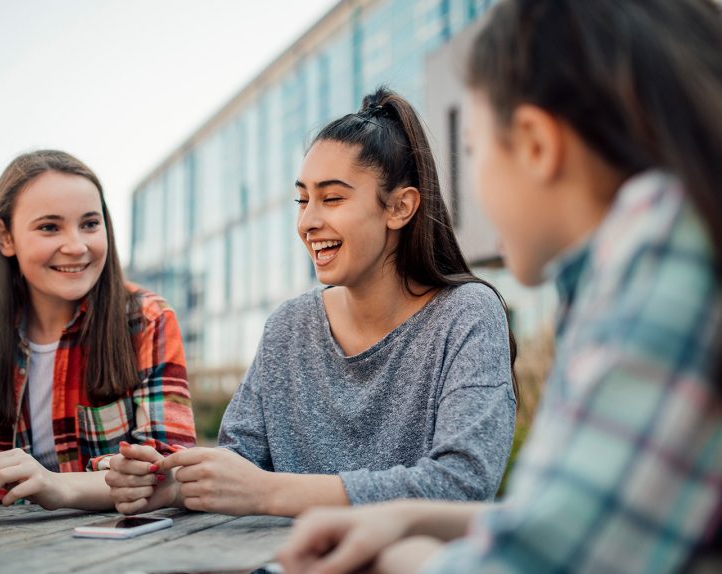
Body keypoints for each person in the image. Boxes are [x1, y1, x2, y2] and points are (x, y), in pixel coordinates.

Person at [276, 0, 722, 572]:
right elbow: (569, 515)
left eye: (474, 153)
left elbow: (543, 561)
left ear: (536, 145)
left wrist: (405, 557)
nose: (472, 192)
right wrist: (407, 517)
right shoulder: (656, 250)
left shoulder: (664, 255)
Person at [105, 88, 518, 518]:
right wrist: (173, 483)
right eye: (302, 200)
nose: (308, 222)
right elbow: (239, 464)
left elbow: (460, 486)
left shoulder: (468, 313)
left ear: (400, 207)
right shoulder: (289, 325)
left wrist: (269, 493)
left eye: (332, 198)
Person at [0, 149, 196, 510]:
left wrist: (58, 486)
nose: (76, 246)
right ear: (5, 237)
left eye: (90, 224)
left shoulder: (147, 319)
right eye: (50, 227)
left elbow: (171, 473)